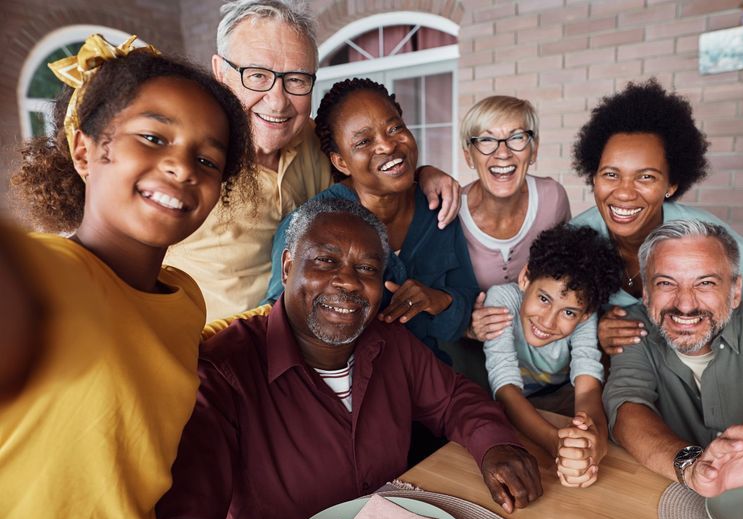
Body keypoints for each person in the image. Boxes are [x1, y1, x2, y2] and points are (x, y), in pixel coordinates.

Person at [155, 198, 543, 519]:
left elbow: (454, 399)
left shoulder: (389, 341)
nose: (349, 282)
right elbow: (186, 518)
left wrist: (495, 444)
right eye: (325, 260)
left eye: (367, 269)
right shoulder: (224, 371)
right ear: (289, 267)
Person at [1, 35, 255, 519]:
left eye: (207, 160)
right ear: (85, 151)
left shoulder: (184, 298)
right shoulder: (46, 275)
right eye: (153, 138)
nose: (182, 166)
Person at [165, 0, 461, 321]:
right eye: (257, 75)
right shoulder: (179, 161)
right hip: (204, 353)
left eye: (296, 80)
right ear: (221, 72)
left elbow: (370, 170)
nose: (277, 101)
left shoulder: (313, 141)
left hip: (309, 345)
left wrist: (423, 175)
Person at [264, 78, 478, 363]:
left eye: (395, 128)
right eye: (364, 141)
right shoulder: (309, 226)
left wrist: (438, 301)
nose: (388, 146)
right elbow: (277, 326)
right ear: (340, 161)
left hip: (428, 374)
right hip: (344, 387)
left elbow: (465, 305)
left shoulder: (437, 207)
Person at [569, 79, 743, 356]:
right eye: (611, 174)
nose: (623, 193)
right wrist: (592, 333)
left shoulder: (717, 243)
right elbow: (546, 329)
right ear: (593, 178)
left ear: (671, 185)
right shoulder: (572, 243)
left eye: (646, 177)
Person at [603, 220, 743, 497]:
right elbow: (627, 407)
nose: (685, 305)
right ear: (647, 294)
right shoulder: (633, 327)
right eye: (666, 283)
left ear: (735, 291)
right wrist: (692, 467)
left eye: (705, 283)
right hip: (666, 496)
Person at [484, 224, 623, 488]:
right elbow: (505, 389)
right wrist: (554, 442)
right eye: (544, 298)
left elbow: (586, 388)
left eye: (569, 312)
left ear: (585, 315)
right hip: (514, 400)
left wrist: (590, 440)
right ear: (525, 278)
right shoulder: (502, 300)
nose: (548, 321)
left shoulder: (587, 318)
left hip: (559, 396)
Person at [459, 95, 571, 341]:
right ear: (469, 156)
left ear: (534, 149)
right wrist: (466, 327)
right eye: (486, 140)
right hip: (473, 349)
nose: (503, 153)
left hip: (541, 347)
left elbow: (569, 275)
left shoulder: (552, 198)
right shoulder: (450, 211)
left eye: (517, 138)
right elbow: (435, 296)